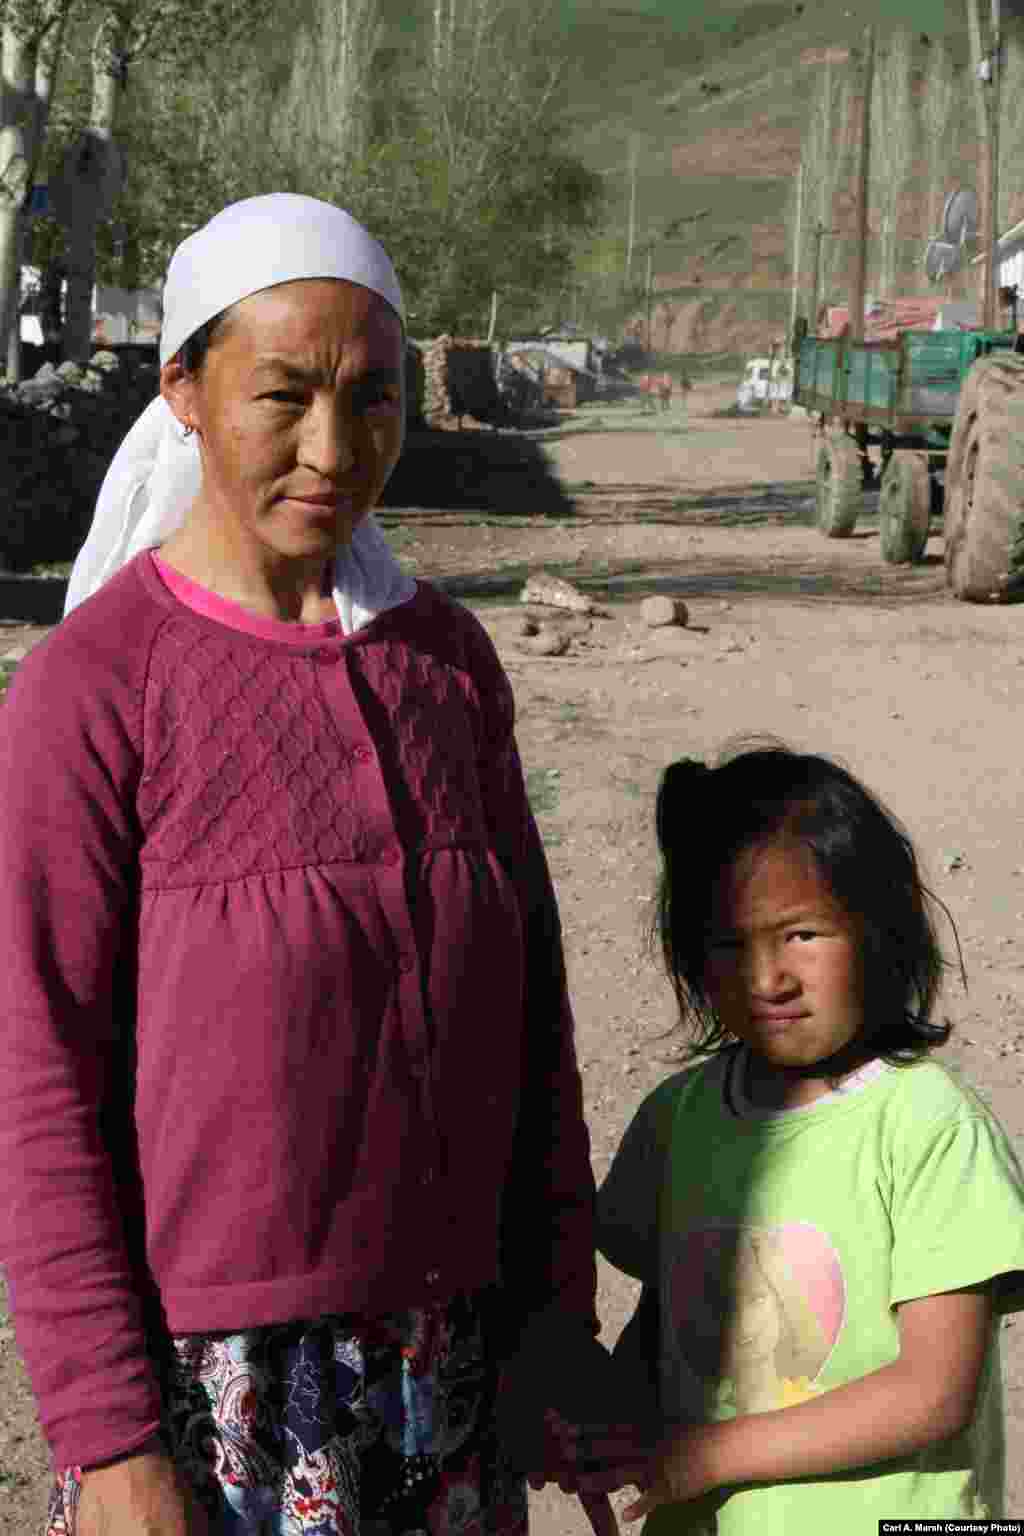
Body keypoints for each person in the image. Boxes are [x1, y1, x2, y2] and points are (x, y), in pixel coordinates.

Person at [0, 193, 609, 1536]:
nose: (337, 449)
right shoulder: (91, 694)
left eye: (374, 398)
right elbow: (36, 1083)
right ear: (184, 396)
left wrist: (557, 1328)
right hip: (217, 1408)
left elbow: (535, 1030)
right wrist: (109, 1440)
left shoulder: (446, 665)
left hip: (450, 1374)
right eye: (285, 395)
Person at [554, 740, 1024, 1530]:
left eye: (802, 935)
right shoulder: (679, 1118)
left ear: (879, 932)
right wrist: (610, 1424)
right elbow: (670, 1311)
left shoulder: (930, 1127)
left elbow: (936, 1391)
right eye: (732, 944)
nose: (769, 977)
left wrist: (706, 1455)